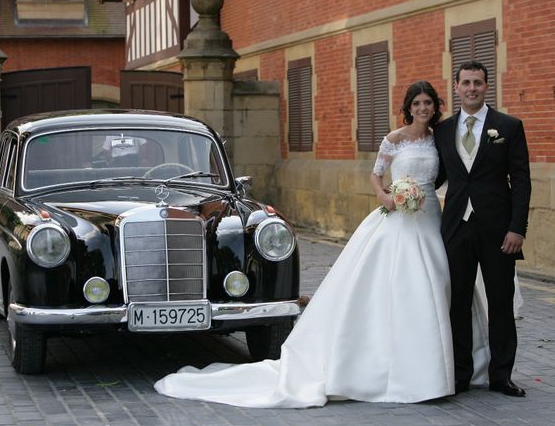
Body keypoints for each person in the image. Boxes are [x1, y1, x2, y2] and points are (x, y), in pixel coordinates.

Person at [154, 81, 480, 408]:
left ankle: (439, 366)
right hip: (399, 218)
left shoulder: (440, 139)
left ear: (434, 107)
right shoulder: (394, 139)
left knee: (436, 285)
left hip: (431, 219)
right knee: (402, 287)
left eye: (428, 104)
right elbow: (376, 175)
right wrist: (387, 197)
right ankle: (404, 371)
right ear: (408, 107)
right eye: (417, 103)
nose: (423, 109)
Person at [434, 60, 531, 398]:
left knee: (500, 302)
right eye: (466, 83)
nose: (472, 88)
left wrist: (517, 228)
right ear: (456, 87)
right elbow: (437, 177)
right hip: (456, 229)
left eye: (478, 83)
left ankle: (501, 375)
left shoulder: (509, 126)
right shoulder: (443, 131)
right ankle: (460, 374)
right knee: (456, 303)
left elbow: (521, 181)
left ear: (486, 87)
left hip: (499, 230)